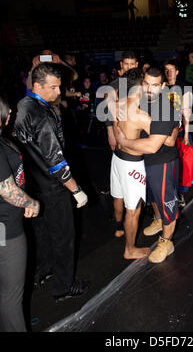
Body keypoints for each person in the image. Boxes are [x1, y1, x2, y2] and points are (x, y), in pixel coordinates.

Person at [13, 63, 89, 301]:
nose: (59, 92)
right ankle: (64, 286)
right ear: (37, 86)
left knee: (41, 233)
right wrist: (76, 190)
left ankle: (43, 271)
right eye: (54, 87)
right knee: (63, 236)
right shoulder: (42, 115)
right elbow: (55, 160)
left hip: (31, 186)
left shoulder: (22, 105)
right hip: (52, 186)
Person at [115, 67, 179, 264]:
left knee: (167, 202)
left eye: (155, 85)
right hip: (144, 162)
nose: (150, 89)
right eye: (146, 84)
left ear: (163, 86)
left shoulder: (165, 107)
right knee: (152, 198)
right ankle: (159, 220)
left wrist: (124, 142)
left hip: (162, 162)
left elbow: (157, 145)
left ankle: (166, 241)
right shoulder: (141, 100)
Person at [0, 96, 40, 332]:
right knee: (11, 294)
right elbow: (6, 190)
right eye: (8, 110)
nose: (13, 111)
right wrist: (31, 202)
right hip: (7, 229)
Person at [111, 68, 151, 259]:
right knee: (134, 210)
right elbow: (162, 140)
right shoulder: (139, 114)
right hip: (132, 164)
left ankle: (119, 229)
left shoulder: (118, 103)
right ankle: (130, 249)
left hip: (117, 157)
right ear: (141, 85)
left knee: (118, 196)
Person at [102, 50, 139, 237]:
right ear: (120, 67)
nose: (129, 67)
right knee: (119, 181)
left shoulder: (141, 84)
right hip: (119, 139)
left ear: (137, 65)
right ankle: (119, 222)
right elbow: (108, 114)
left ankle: (134, 212)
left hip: (137, 141)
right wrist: (110, 133)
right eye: (126, 64)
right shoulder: (113, 86)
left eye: (132, 64)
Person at [164, 59, 192, 208]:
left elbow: (186, 112)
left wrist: (186, 135)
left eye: (171, 69)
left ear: (177, 72)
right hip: (164, 132)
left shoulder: (184, 87)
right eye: (166, 70)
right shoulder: (161, 87)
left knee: (181, 164)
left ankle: (180, 193)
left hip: (180, 132)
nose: (168, 73)